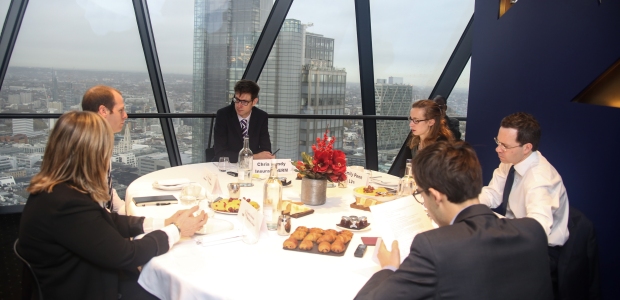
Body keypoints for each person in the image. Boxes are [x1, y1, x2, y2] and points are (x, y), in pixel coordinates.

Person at [17, 111, 208, 299]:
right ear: (90, 155)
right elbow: (127, 255)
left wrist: (164, 222)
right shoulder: (67, 204)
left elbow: (106, 221)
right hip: (88, 289)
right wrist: (177, 229)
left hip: (77, 278)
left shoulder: (58, 190)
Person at [355, 141, 553, 299]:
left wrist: (389, 268)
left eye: (422, 194)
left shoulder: (434, 247)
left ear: (436, 195)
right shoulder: (533, 230)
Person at [478, 112, 569, 294]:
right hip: (514, 235)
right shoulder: (511, 160)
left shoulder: (540, 179)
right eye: (498, 142)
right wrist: (464, 205)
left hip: (541, 252)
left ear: (527, 147)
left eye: (505, 145)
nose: (498, 149)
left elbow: (537, 229)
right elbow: (493, 194)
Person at [81, 85, 128, 214]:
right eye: (120, 110)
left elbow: (106, 191)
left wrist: (128, 212)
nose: (125, 115)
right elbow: (93, 207)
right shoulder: (85, 149)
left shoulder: (100, 143)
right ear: (103, 111)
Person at [213, 79, 274, 163]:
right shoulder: (223, 115)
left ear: (254, 102)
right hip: (227, 166)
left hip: (252, 168)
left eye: (244, 102)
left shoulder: (261, 117)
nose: (239, 105)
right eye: (237, 100)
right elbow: (220, 153)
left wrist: (264, 156)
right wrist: (254, 157)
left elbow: (266, 150)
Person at [391, 99, 454, 177]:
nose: (411, 124)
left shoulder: (442, 146)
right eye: (411, 119)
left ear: (431, 122)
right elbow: (403, 168)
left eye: (416, 120)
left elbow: (438, 178)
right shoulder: (414, 139)